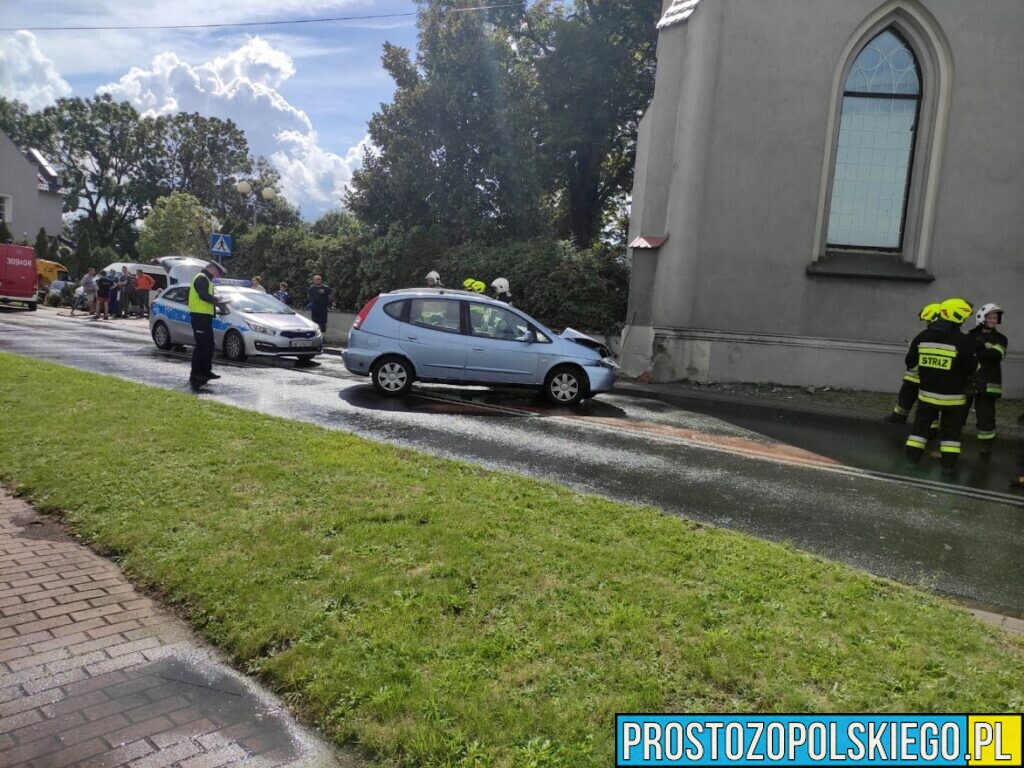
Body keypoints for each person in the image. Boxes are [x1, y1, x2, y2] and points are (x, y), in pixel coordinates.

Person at [904, 298, 977, 476]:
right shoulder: (963, 341)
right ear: (958, 317)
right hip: (953, 398)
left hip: (926, 396)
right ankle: (948, 467)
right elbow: (972, 368)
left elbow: (910, 363)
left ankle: (911, 461)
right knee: (950, 434)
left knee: (919, 430)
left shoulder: (922, 337)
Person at [885, 303, 943, 423]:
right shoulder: (949, 337)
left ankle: (899, 416)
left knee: (906, 397)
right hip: (935, 379)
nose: (926, 323)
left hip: (914, 377)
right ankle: (932, 426)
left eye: (927, 320)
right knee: (931, 403)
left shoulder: (923, 336)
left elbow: (911, 358)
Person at [963, 303, 1007, 459]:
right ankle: (949, 446)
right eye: (991, 317)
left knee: (986, 419)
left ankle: (985, 450)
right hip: (967, 383)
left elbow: (996, 355)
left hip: (988, 386)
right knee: (956, 415)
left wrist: (978, 350)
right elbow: (965, 351)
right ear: (982, 318)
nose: (994, 320)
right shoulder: (968, 336)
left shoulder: (1001, 338)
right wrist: (983, 345)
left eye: (996, 318)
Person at [189, 261, 229, 391]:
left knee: (209, 346)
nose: (217, 275)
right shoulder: (201, 278)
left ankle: (205, 371)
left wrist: (218, 301)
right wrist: (218, 300)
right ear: (211, 268)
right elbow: (203, 296)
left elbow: (206, 297)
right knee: (201, 346)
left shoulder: (206, 279)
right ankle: (196, 374)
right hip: (199, 317)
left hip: (205, 317)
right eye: (217, 272)